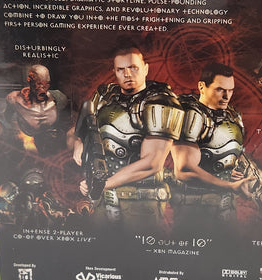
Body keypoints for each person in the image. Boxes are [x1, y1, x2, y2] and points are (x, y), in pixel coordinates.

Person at [73, 46, 184, 226]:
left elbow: (152, 163)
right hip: (103, 197)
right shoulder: (105, 97)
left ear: (145, 68)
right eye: (121, 69)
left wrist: (102, 184)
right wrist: (78, 142)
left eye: (133, 68)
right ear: (114, 72)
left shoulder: (161, 101)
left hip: (140, 201)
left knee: (137, 244)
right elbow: (81, 130)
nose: (127, 74)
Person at [171, 63, 262, 223]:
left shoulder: (232, 115)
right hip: (195, 208)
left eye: (230, 90)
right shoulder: (191, 114)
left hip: (227, 207)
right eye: (220, 90)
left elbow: (220, 156)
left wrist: (230, 171)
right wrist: (231, 185)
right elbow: (184, 170)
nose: (227, 96)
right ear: (202, 86)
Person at [0, 63, 70, 158]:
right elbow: (6, 121)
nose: (43, 88)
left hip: (53, 147)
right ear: (30, 81)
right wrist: (25, 138)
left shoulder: (59, 98)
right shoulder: (14, 99)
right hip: (27, 147)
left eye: (46, 84)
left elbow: (68, 125)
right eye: (39, 84)